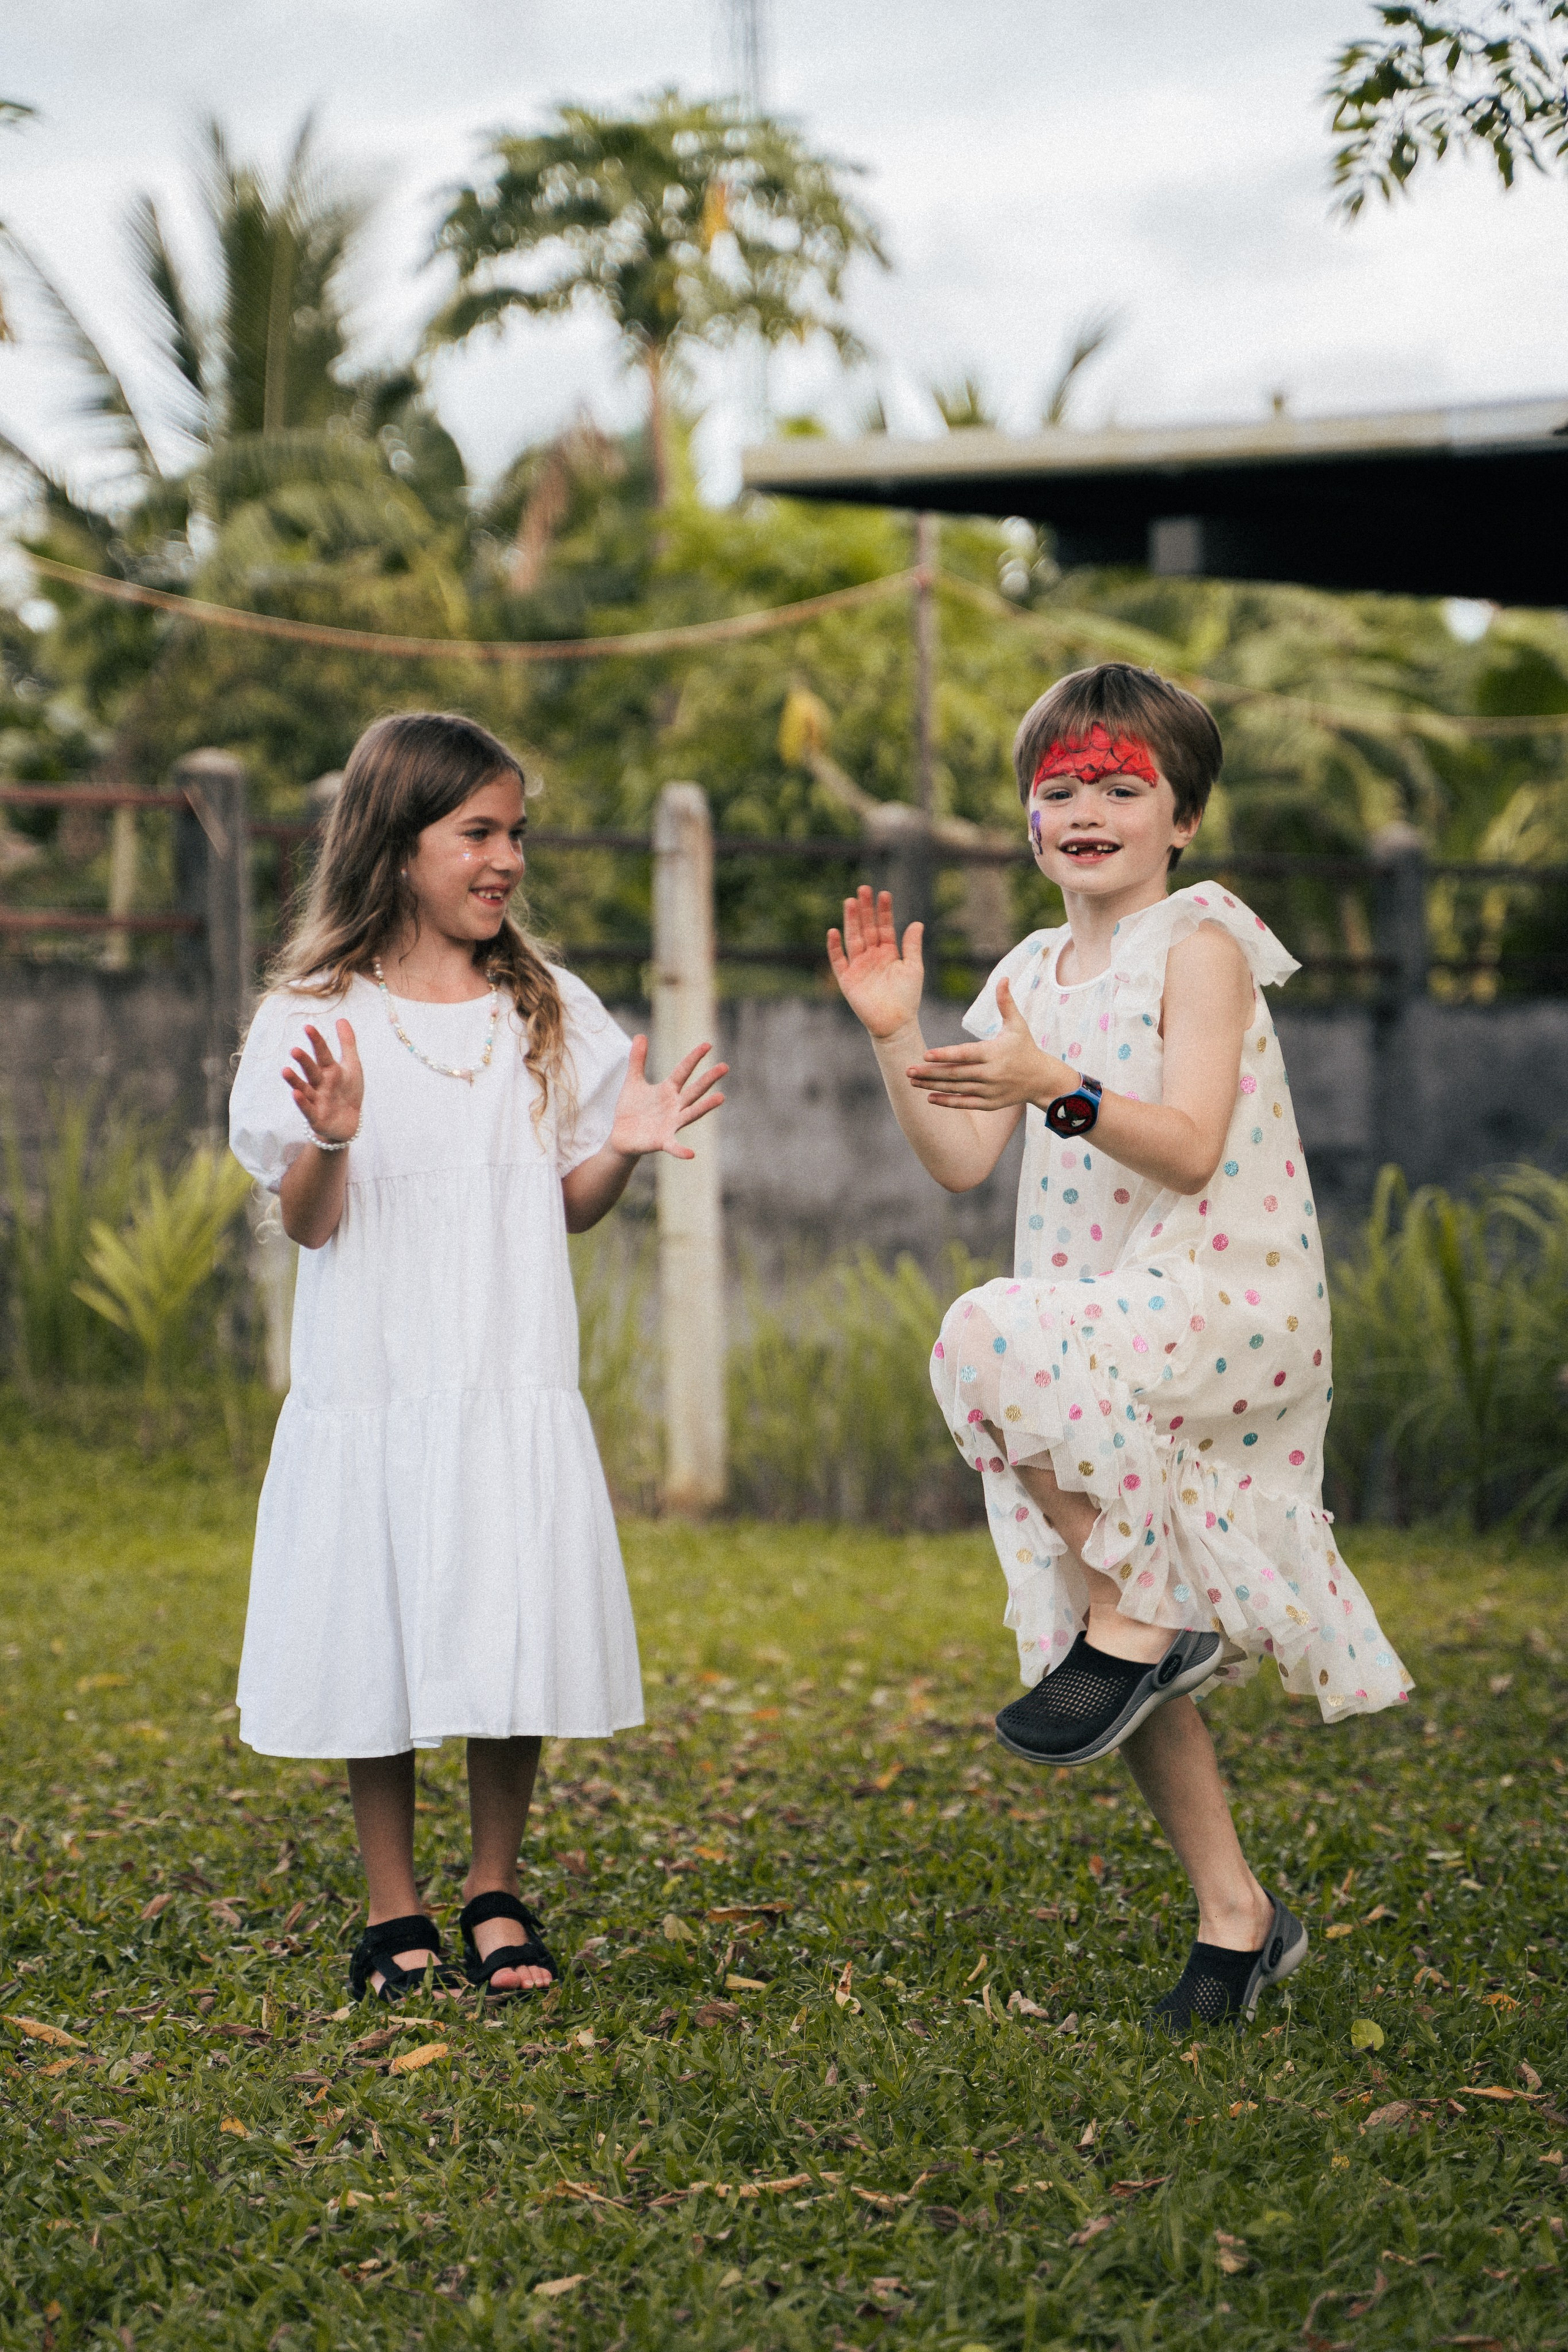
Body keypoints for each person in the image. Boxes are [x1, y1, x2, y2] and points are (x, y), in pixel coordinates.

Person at [827, 663, 1410, 2032]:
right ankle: (1236, 1917)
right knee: (1112, 1632)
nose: (1084, 809)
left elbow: (1193, 1144)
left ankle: (1149, 1623)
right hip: (1087, 1336)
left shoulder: (1197, 942)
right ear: (1027, 819)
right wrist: (895, 1033)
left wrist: (1061, 1089)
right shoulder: (1026, 972)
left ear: (1179, 820)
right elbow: (963, 1159)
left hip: (1218, 1296)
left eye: (1119, 787)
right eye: (1058, 789)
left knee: (984, 1339)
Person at [228, 712, 725, 2003]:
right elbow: (308, 1222)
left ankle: (492, 1886)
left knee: (509, 1616)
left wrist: (621, 1141)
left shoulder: (541, 1006)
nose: (506, 859)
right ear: (397, 848)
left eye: (516, 834)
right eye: (478, 834)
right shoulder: (317, 1015)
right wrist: (329, 1136)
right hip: (378, 1381)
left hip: (506, 1372)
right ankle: (392, 1906)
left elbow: (566, 1199)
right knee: (378, 1633)